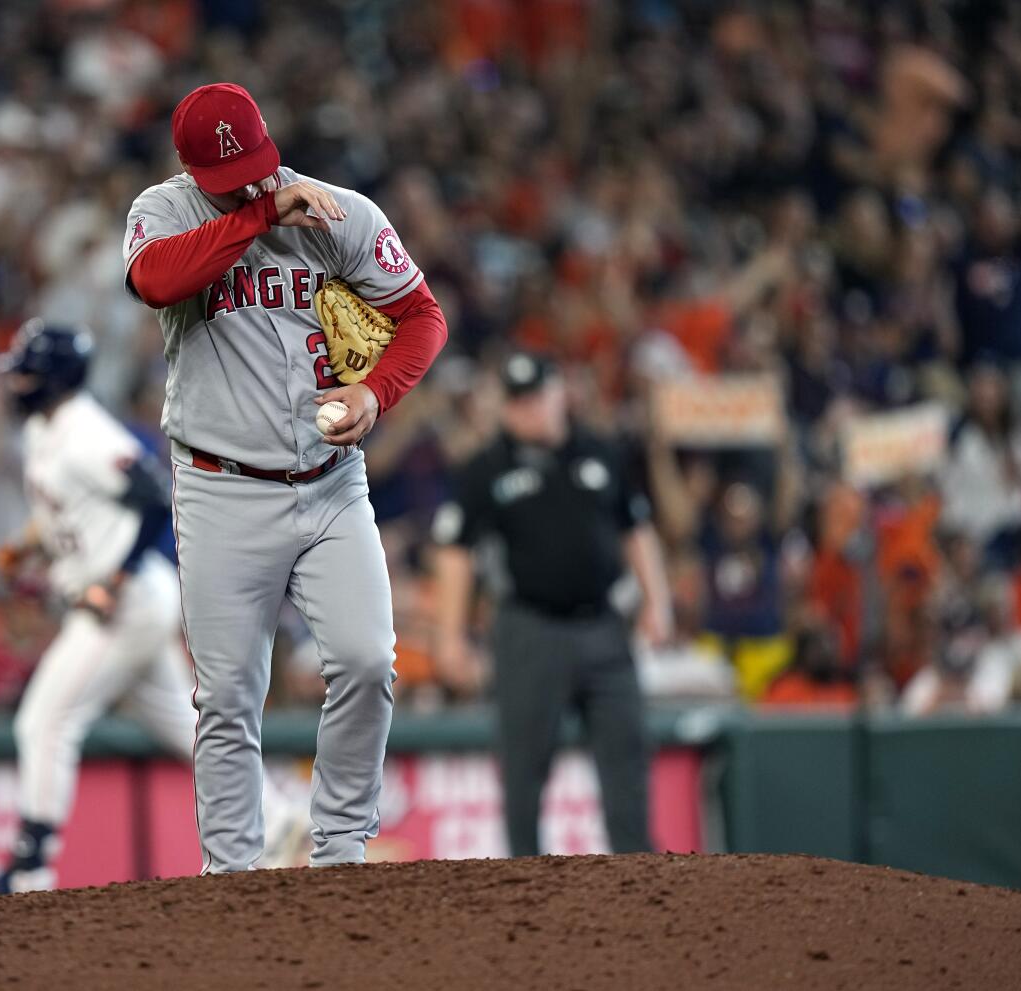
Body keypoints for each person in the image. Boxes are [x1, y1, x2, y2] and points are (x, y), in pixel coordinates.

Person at [123, 82, 447, 872]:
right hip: (220, 487)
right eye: (229, 178)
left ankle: (338, 852)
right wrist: (260, 215)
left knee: (369, 661)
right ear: (189, 168)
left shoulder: (340, 212)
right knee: (228, 699)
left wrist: (375, 392)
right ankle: (232, 875)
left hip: (332, 482)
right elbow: (157, 282)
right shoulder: (164, 213)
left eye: (258, 170)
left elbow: (422, 316)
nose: (251, 182)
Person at [0, 321, 219, 894]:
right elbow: (71, 509)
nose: (16, 382)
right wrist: (30, 543)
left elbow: (155, 496)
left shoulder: (85, 431)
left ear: (53, 379)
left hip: (125, 601)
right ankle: (280, 825)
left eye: (26, 372)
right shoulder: (42, 429)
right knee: (189, 730)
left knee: (46, 718)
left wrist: (115, 577)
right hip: (124, 598)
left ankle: (31, 869)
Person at [432, 352, 671, 856]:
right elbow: (455, 551)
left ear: (560, 391)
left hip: (604, 625)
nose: (528, 410)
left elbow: (637, 529)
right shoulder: (486, 469)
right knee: (523, 766)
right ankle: (524, 883)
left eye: (536, 396)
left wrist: (657, 603)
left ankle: (641, 878)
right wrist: (450, 635)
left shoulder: (601, 453)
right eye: (517, 401)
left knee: (626, 753)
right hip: (528, 629)